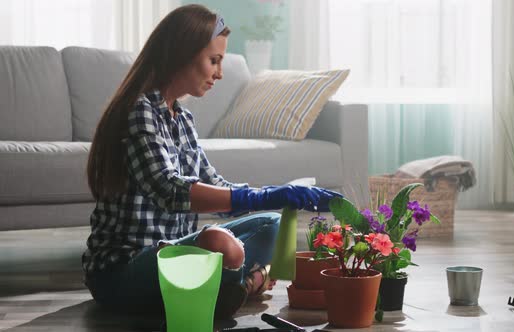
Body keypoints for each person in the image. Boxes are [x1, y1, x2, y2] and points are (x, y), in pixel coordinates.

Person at [82, 4, 341, 319]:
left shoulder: (183, 119)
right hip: (124, 272)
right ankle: (245, 282)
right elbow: (170, 191)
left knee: (272, 225)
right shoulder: (139, 112)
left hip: (176, 256)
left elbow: (217, 188)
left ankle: (231, 286)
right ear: (181, 54)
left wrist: (278, 194)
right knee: (222, 244)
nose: (219, 73)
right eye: (214, 61)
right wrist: (264, 196)